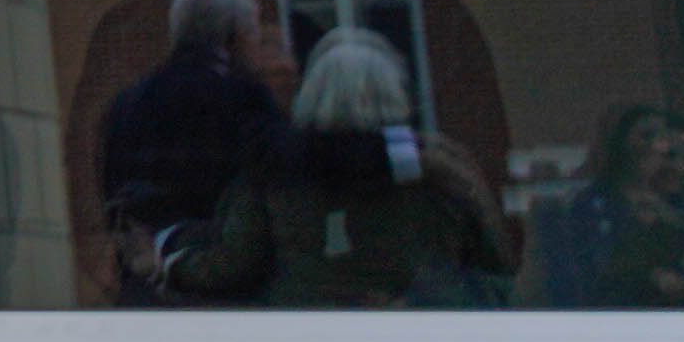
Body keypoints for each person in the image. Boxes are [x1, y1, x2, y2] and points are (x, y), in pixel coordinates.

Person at [180, 26, 517, 308]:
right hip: (418, 329)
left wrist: (171, 263)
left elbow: (234, 263)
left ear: (311, 92)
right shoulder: (441, 167)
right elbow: (494, 259)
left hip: (303, 331)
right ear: (395, 92)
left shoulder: (275, 171)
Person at [96, 0, 291, 303]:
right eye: (255, 33)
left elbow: (111, 181)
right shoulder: (241, 96)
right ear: (236, 36)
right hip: (221, 277)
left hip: (146, 281)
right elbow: (280, 171)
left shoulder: (128, 101)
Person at [532, 104, 684, 308]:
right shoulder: (587, 206)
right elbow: (586, 275)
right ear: (619, 143)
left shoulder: (682, 207)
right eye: (646, 136)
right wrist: (652, 277)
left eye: (663, 140)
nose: (657, 147)